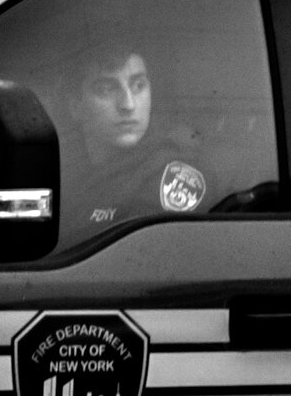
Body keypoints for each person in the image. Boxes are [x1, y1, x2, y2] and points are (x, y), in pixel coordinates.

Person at [53, 38, 214, 245]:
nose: (128, 104)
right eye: (107, 89)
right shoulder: (64, 168)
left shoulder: (171, 174)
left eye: (138, 85)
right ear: (75, 105)